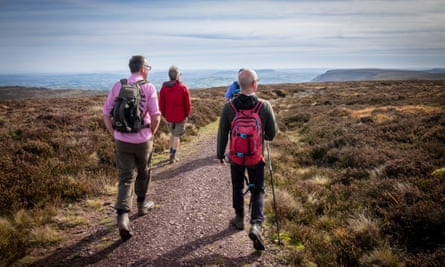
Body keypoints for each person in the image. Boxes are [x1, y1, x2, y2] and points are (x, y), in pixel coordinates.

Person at [217, 69, 278, 250]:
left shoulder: (229, 107)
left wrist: (220, 154)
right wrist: (262, 136)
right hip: (255, 158)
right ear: (254, 84)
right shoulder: (264, 106)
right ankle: (256, 225)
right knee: (258, 190)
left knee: (237, 186)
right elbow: (272, 134)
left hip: (236, 157)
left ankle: (239, 219)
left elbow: (222, 133)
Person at [102, 55, 161, 240]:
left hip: (122, 140)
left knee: (125, 177)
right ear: (143, 68)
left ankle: (123, 217)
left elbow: (105, 113)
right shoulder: (149, 86)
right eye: (148, 67)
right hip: (143, 139)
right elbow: (156, 116)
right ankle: (142, 206)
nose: (148, 70)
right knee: (144, 171)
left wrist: (114, 133)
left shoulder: (118, 85)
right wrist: (151, 133)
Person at [159, 65, 192, 164]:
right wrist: (187, 114)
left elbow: (161, 103)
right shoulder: (183, 88)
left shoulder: (164, 88)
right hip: (180, 116)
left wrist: (164, 114)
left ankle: (171, 153)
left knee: (172, 134)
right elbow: (187, 104)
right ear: (177, 76)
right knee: (176, 136)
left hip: (169, 116)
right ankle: (172, 156)